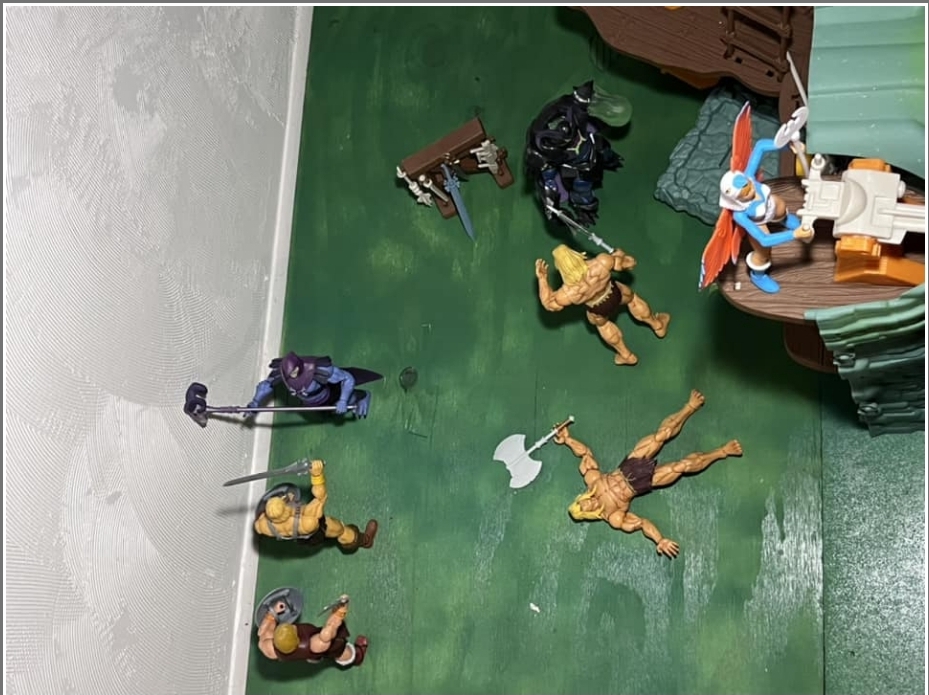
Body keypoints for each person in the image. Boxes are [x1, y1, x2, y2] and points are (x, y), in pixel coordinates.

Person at [554, 390, 743, 558]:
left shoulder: (593, 481)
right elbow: (642, 523)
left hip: (629, 464)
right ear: (588, 514)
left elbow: (585, 454)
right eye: (586, 509)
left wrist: (568, 440)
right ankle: (722, 451)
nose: (589, 504)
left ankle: (690, 407)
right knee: (681, 466)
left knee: (662, 434)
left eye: (583, 503)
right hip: (641, 483)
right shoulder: (614, 517)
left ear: (582, 499)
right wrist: (659, 540)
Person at [700, 103, 813, 294]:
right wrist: (794, 235)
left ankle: (785, 220)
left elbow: (760, 147)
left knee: (780, 206)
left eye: (749, 186)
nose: (752, 190)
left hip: (772, 208)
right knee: (763, 252)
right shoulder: (741, 215)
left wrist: (784, 145)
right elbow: (765, 239)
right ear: (737, 199)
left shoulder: (748, 178)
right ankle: (758, 275)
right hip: (758, 222)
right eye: (746, 193)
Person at [535, 244, 670, 366]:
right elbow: (629, 263)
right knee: (633, 300)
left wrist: (542, 279)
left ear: (560, 267)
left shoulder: (566, 293)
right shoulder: (601, 262)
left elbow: (549, 304)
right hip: (615, 293)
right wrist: (620, 255)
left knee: (604, 326)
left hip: (597, 308)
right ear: (575, 255)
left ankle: (626, 356)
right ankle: (658, 326)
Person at [254, 460, 378, 551]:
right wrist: (317, 475)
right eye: (282, 501)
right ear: (285, 510)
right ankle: (365, 540)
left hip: (300, 538)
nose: (283, 499)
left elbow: (259, 526)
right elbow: (320, 497)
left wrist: (288, 499)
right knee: (340, 529)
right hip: (316, 531)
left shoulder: (262, 525)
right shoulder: (307, 521)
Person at [246, 352, 383, 419]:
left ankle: (362, 395)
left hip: (328, 394)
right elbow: (265, 386)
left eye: (294, 372)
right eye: (288, 375)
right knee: (328, 414)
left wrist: (343, 400)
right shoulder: (281, 373)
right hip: (310, 401)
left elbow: (347, 378)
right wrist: (255, 402)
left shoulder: (317, 369)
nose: (291, 376)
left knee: (346, 403)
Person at [257, 593, 368, 668]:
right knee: (338, 648)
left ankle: (314, 658)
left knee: (315, 653)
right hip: (317, 648)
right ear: (296, 636)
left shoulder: (268, 649)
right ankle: (357, 656)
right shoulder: (313, 644)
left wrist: (272, 613)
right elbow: (329, 630)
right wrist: (339, 611)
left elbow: (262, 632)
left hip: (306, 653)